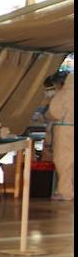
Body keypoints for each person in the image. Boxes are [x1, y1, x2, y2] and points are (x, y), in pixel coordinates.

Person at [47, 71, 73, 201]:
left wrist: (45, 116)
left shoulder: (63, 94)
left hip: (64, 129)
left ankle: (65, 192)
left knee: (62, 161)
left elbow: (54, 113)